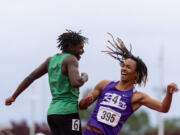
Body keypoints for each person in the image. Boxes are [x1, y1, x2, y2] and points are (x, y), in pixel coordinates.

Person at [79, 33, 179, 135]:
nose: (124, 69)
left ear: (136, 74)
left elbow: (163, 108)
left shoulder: (137, 97)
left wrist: (169, 93)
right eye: (123, 66)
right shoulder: (104, 85)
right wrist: (85, 101)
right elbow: (82, 106)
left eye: (128, 67)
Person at [5, 30, 88, 135]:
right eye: (80, 47)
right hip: (68, 113)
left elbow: (30, 77)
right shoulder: (71, 59)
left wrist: (14, 96)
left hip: (52, 114)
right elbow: (76, 82)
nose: (82, 51)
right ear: (71, 46)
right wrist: (85, 77)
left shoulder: (51, 60)